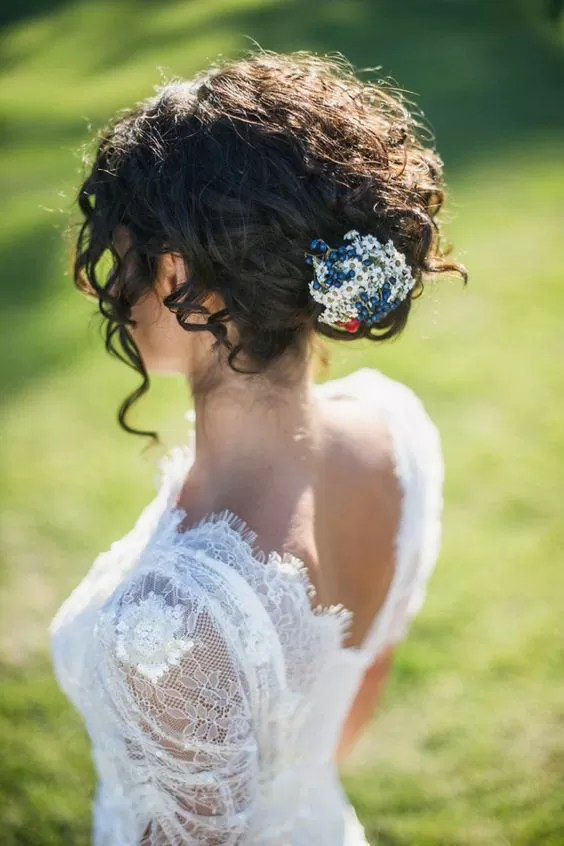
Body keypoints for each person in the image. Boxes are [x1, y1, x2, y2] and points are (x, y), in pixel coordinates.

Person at [50, 51, 465, 845]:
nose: (112, 287)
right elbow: (363, 679)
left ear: (178, 277)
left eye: (124, 255)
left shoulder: (172, 620)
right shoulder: (394, 427)